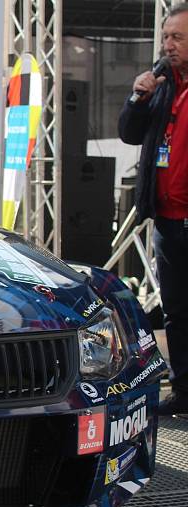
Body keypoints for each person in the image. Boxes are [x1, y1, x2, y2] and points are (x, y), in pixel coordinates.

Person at [119, 4, 188, 415]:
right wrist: (137, 96)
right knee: (176, 311)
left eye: (177, 37)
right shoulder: (161, 84)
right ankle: (183, 390)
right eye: (165, 37)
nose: (168, 45)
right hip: (166, 218)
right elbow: (128, 133)